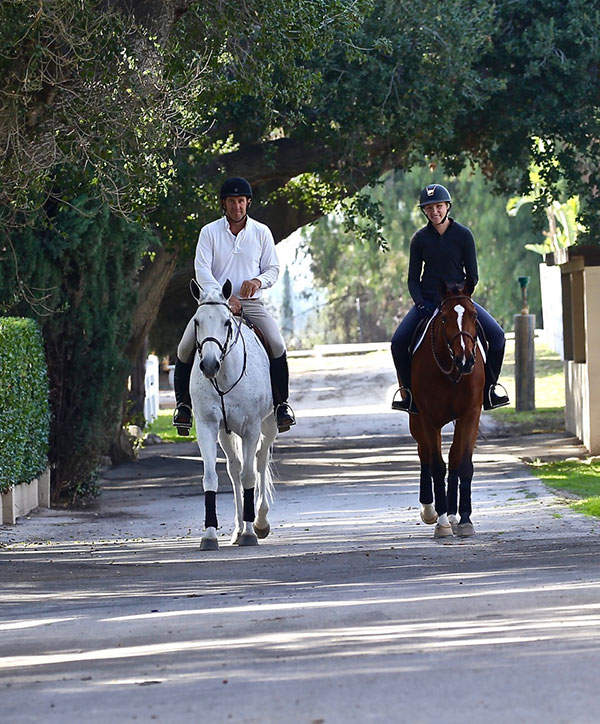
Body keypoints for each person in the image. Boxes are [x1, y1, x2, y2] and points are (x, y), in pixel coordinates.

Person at [172, 176, 296, 434]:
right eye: (231, 201)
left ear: (248, 203)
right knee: (184, 347)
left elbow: (273, 268)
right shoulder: (209, 232)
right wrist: (223, 297)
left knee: (276, 343)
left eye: (241, 201)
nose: (236, 206)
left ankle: (282, 405)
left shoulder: (261, 232)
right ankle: (183, 406)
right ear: (223, 204)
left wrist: (258, 281)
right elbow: (202, 270)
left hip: (251, 304)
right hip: (214, 305)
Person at [390, 182, 509, 413]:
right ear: (424, 211)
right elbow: (413, 278)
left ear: (447, 207)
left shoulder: (464, 235)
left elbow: (472, 275)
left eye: (439, 206)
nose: (434, 212)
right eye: (429, 208)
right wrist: (420, 303)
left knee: (497, 337)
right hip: (429, 301)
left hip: (458, 301)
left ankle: (490, 390)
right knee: (398, 342)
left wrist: (460, 295)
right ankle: (408, 395)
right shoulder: (420, 239)